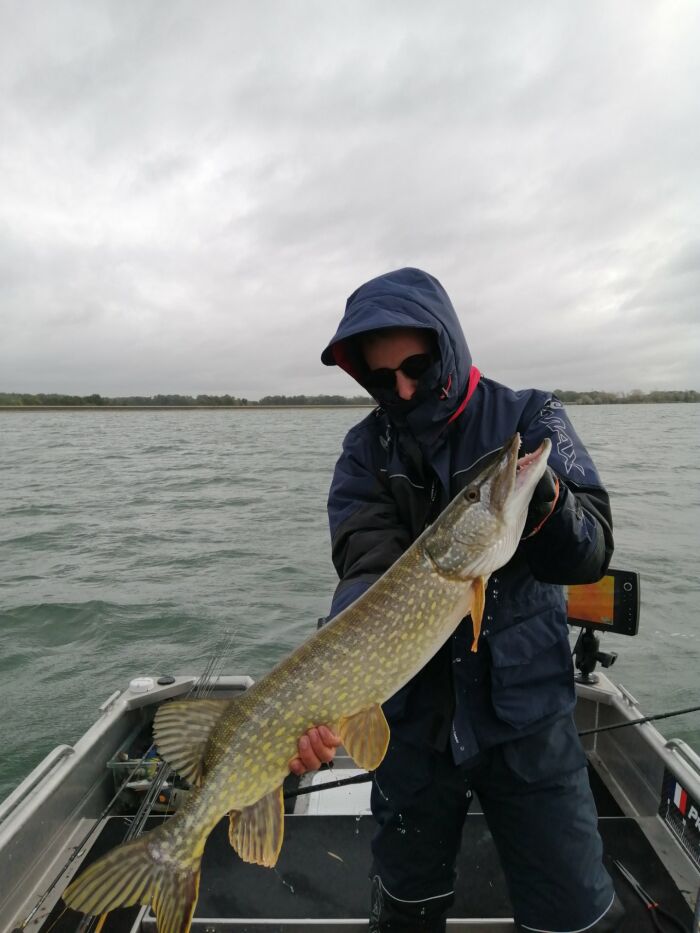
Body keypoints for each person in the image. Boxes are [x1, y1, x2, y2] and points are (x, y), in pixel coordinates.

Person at [291, 267, 625, 932]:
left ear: (447, 344)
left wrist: (548, 500)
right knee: (407, 913)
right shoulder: (364, 454)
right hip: (414, 732)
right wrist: (320, 698)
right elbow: (368, 569)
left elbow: (591, 551)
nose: (404, 387)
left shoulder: (528, 416)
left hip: (527, 721)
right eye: (384, 378)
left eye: (417, 364)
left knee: (573, 913)